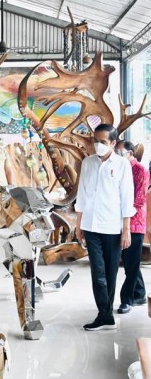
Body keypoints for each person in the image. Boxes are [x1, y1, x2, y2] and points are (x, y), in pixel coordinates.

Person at [75, 124, 135, 331]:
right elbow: (82, 195)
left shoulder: (121, 165)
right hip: (91, 225)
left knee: (110, 272)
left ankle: (106, 314)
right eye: (95, 140)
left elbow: (127, 198)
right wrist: (78, 224)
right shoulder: (87, 163)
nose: (98, 145)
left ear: (112, 143)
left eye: (102, 142)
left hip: (112, 227)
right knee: (97, 272)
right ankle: (104, 313)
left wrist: (126, 229)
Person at [115, 140, 148, 313]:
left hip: (135, 223)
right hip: (118, 222)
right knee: (129, 262)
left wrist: (124, 214)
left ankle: (127, 299)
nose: (118, 155)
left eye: (121, 152)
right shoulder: (119, 169)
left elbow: (139, 199)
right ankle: (140, 293)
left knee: (131, 264)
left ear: (131, 154)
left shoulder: (140, 170)